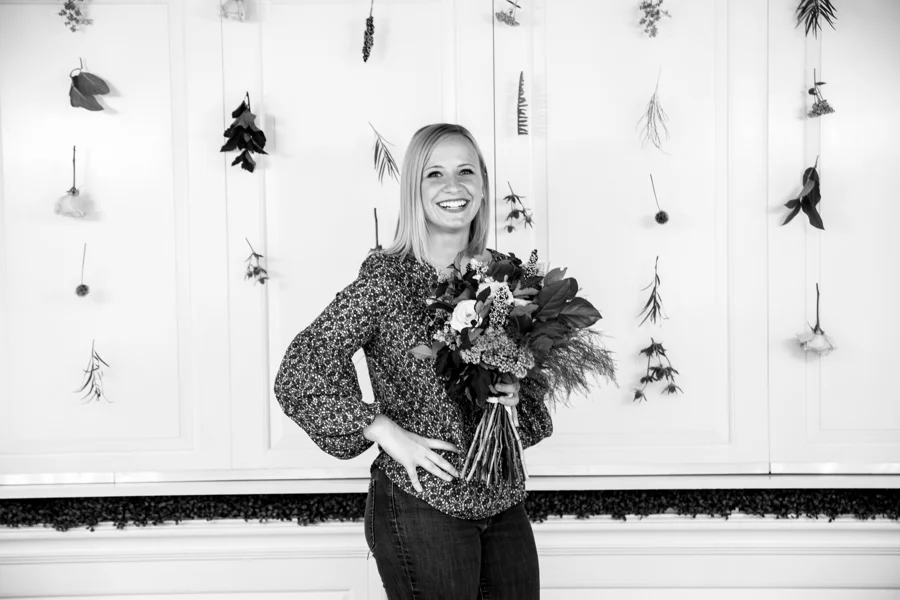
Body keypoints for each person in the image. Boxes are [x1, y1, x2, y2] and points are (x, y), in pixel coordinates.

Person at [273, 123, 553, 599]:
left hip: (502, 497)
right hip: (423, 500)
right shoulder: (386, 281)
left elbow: (530, 382)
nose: (453, 186)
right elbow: (300, 371)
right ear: (413, 191)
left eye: (466, 171)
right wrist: (379, 427)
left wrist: (516, 389)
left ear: (483, 186)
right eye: (434, 174)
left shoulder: (507, 278)